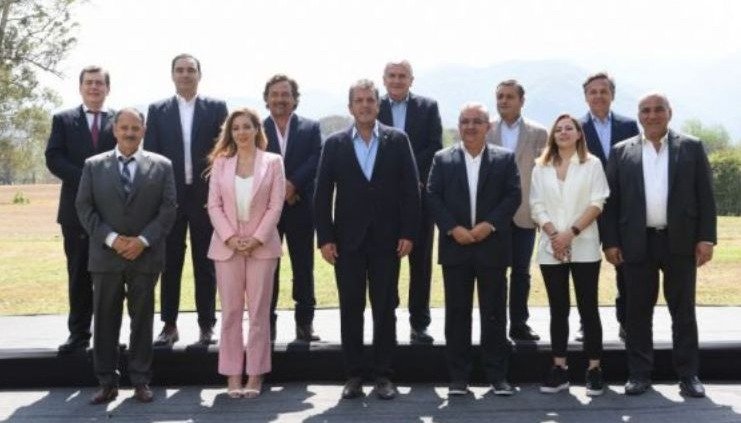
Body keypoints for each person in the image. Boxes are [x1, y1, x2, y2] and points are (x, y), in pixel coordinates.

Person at [602, 93, 716, 398]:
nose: (652, 115)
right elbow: (611, 203)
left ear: (669, 112)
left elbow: (706, 196)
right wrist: (610, 242)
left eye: (658, 110)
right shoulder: (621, 151)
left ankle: (688, 375)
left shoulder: (691, 147)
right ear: (639, 115)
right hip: (636, 242)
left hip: (681, 241)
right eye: (645, 110)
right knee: (637, 312)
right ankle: (639, 374)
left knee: (683, 311)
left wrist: (706, 238)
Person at [314, 79, 420, 400]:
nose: (364, 105)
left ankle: (384, 375)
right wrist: (325, 238)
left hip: (388, 241)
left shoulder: (398, 140)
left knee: (385, 308)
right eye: (359, 100)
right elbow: (322, 195)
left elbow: (410, 190)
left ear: (378, 104)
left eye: (370, 100)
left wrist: (408, 232)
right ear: (350, 107)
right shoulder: (334, 144)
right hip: (347, 243)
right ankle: (354, 375)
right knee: (351, 308)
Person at [75, 108, 177, 404]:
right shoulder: (93, 165)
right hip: (106, 256)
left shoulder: (162, 166)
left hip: (145, 255)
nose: (130, 133)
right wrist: (112, 239)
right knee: (105, 320)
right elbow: (84, 207)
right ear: (115, 130)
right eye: (124, 127)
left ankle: (141, 380)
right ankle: (107, 382)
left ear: (143, 130)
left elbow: (168, 208)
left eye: (135, 127)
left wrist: (142, 241)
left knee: (142, 320)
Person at [427, 103, 521, 397]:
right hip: (455, 246)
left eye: (477, 121)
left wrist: (489, 225)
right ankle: (458, 378)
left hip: (492, 246)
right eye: (465, 121)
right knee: (457, 314)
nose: (470, 127)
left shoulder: (505, 159)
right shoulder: (442, 159)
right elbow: (432, 196)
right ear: (458, 125)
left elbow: (513, 195)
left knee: (494, 313)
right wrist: (453, 229)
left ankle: (497, 376)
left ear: (487, 126)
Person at [144, 53, 229, 348]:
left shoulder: (216, 108)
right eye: (179, 70)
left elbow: (225, 151)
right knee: (169, 263)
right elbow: (151, 157)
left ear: (199, 75)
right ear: (172, 75)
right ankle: (169, 325)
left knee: (206, 263)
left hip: (206, 198)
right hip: (170, 198)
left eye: (190, 70)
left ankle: (207, 326)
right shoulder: (157, 110)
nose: (185, 74)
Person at [206, 108, 285, 398]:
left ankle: (255, 374)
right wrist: (230, 237)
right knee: (230, 312)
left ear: (256, 130)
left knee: (259, 313)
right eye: (236, 127)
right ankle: (232, 374)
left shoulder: (273, 162)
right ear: (230, 132)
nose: (241, 132)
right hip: (226, 247)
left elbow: (275, 205)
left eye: (246, 126)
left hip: (262, 247)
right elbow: (214, 205)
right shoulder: (221, 163)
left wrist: (256, 238)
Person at [529, 113, 610, 396]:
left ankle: (594, 369)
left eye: (569, 128)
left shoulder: (592, 164)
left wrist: (570, 234)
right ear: (553, 135)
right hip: (551, 247)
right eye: (558, 129)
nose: (563, 132)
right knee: (558, 309)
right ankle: (559, 368)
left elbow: (597, 203)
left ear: (578, 134)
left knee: (589, 309)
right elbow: (536, 205)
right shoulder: (540, 166)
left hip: (584, 244)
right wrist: (555, 235)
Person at [45, 65, 117, 354]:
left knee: (110, 278)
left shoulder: (120, 121)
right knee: (78, 273)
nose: (94, 87)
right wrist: (87, 179)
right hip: (74, 212)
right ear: (81, 87)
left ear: (108, 88)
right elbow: (53, 157)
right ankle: (78, 334)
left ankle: (108, 336)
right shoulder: (63, 120)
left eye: (99, 83)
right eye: (89, 83)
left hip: (112, 212)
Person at [378, 60, 443, 345]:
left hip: (419, 198)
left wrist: (409, 174)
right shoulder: (373, 106)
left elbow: (434, 146)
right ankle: (387, 320)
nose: (397, 80)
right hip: (383, 202)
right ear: (384, 79)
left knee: (421, 263)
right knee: (386, 263)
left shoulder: (428, 107)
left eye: (402, 76)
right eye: (392, 76)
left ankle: (420, 323)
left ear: (411, 80)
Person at [485, 80, 547, 342]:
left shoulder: (539, 133)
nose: (503, 101)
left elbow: (543, 176)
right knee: (494, 273)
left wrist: (542, 212)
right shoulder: (485, 129)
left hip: (524, 213)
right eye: (500, 96)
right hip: (491, 216)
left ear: (522, 100)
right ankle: (494, 324)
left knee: (521, 272)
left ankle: (519, 324)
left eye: (509, 96)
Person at [579, 72, 639, 342]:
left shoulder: (629, 125)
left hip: (621, 208)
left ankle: (627, 322)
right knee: (584, 270)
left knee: (624, 268)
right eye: (593, 92)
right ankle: (587, 324)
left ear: (612, 95)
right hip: (586, 209)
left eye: (603, 91)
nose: (598, 96)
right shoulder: (576, 127)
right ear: (586, 97)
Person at [262, 74, 322, 342]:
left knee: (303, 267)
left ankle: (305, 324)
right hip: (265, 211)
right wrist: (279, 189)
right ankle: (267, 325)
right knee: (267, 269)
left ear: (295, 99)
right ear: (266, 99)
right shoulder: (256, 128)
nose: (280, 99)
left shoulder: (310, 128)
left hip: (300, 206)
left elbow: (316, 158)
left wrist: (293, 184)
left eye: (285, 94)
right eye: (275, 94)